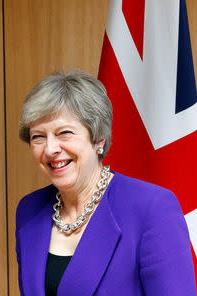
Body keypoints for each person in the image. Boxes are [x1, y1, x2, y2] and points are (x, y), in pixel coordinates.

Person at [15, 70, 196, 296]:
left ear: (99, 138)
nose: (50, 149)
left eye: (64, 133)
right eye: (38, 137)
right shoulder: (29, 210)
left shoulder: (152, 209)